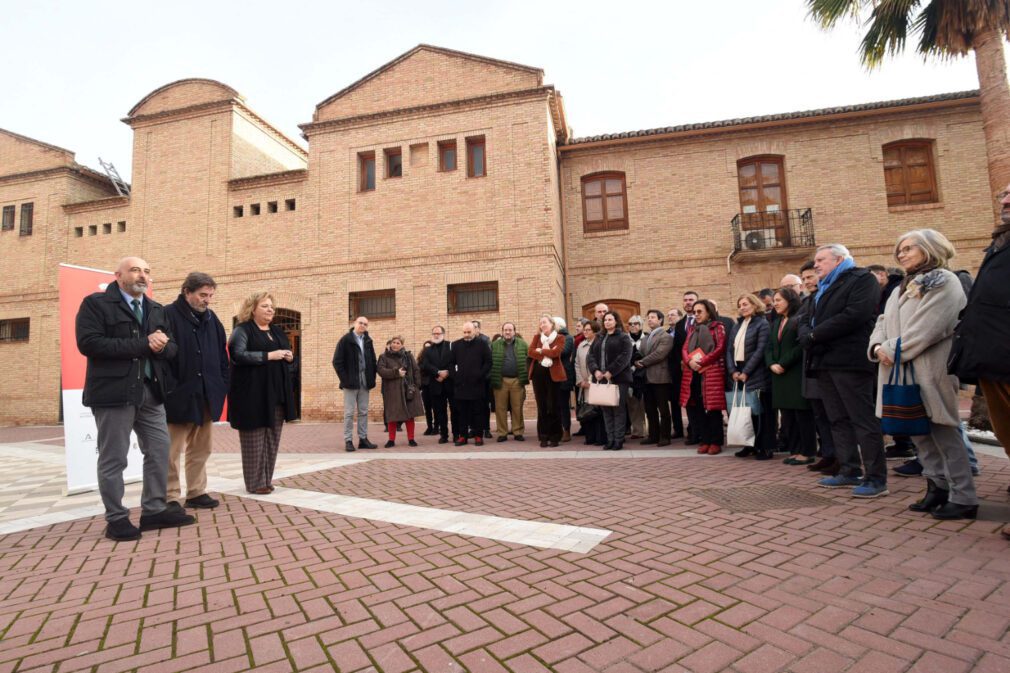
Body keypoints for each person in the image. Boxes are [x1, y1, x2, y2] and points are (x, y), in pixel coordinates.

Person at [75, 256, 193, 541]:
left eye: (147, 271)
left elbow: (172, 348)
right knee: (114, 458)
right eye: (135, 270)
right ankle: (116, 518)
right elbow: (89, 343)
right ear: (118, 275)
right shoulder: (96, 304)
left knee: (160, 450)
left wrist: (163, 346)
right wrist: (144, 343)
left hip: (151, 393)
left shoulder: (155, 309)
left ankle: (153, 511)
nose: (142, 275)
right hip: (114, 394)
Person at [867, 229, 977, 519]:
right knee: (918, 432)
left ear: (930, 248)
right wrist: (876, 345)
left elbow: (930, 328)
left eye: (908, 248)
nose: (901, 253)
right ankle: (936, 486)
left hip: (930, 366)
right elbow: (882, 319)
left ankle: (963, 496)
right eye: (898, 249)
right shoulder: (903, 285)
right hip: (898, 367)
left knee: (943, 431)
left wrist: (889, 349)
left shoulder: (945, 282)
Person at [798, 243, 887, 498]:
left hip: (850, 360)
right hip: (824, 361)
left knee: (862, 419)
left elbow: (854, 315)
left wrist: (814, 335)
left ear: (839, 259)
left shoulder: (862, 279)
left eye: (821, 260)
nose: (816, 265)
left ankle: (876, 477)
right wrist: (808, 333)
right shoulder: (822, 288)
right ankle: (849, 470)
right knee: (837, 419)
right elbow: (806, 317)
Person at [163, 272, 228, 510]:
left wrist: (221, 384)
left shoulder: (213, 320)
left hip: (207, 395)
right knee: (170, 451)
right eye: (202, 295)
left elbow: (222, 357)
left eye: (210, 295)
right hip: (178, 396)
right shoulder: (167, 315)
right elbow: (160, 358)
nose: (207, 300)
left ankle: (196, 492)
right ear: (186, 292)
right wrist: (169, 388)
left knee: (202, 448)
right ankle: (169, 496)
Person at [227, 292, 298, 494]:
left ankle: (266, 480)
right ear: (252, 309)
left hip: (276, 393)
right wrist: (269, 355)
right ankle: (254, 483)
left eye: (272, 307)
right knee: (254, 440)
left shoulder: (276, 331)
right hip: (252, 394)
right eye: (265, 306)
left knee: (272, 439)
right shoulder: (243, 330)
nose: (270, 310)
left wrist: (289, 356)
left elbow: (287, 355)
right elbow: (237, 355)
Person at [765, 288, 816, 464]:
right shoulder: (777, 322)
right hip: (778, 375)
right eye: (774, 300)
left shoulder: (799, 319)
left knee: (802, 415)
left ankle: (807, 452)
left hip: (793, 373)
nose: (775, 303)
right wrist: (771, 363)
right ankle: (795, 450)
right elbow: (769, 346)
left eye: (778, 300)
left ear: (790, 300)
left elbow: (800, 346)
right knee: (788, 417)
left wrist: (783, 363)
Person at [726, 294, 774, 459]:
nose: (742, 307)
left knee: (761, 414)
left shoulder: (762, 324)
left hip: (756, 373)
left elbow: (761, 350)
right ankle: (749, 445)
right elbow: (729, 350)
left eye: (745, 304)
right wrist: (733, 371)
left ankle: (765, 447)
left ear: (755, 305)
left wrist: (746, 371)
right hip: (738, 373)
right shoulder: (737, 325)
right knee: (746, 412)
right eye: (740, 305)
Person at [679, 299, 727, 454]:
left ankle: (716, 442)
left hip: (711, 372)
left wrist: (702, 361)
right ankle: (705, 440)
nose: (696, 315)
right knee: (697, 408)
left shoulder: (718, 327)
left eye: (700, 311)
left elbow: (720, 348)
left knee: (713, 409)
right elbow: (685, 348)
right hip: (693, 373)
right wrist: (689, 362)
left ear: (709, 312)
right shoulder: (693, 329)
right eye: (695, 312)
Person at [588, 311, 634, 450]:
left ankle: (619, 440)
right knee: (606, 411)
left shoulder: (623, 337)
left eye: (610, 319)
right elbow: (590, 356)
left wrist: (610, 372)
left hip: (619, 379)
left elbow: (625, 357)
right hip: (601, 379)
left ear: (616, 321)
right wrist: (595, 370)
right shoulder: (599, 337)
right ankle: (610, 439)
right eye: (605, 320)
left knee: (618, 410)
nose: (607, 322)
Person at [333, 316, 378, 452]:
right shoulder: (345, 340)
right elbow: (337, 362)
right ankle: (348, 440)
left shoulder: (368, 341)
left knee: (363, 412)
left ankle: (363, 439)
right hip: (350, 382)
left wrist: (371, 377)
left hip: (365, 381)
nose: (363, 325)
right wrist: (345, 379)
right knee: (349, 413)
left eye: (365, 324)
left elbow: (373, 361)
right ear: (354, 323)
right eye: (360, 323)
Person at [377, 336, 424, 447]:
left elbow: (416, 370)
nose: (395, 344)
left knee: (409, 415)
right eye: (394, 342)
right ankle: (391, 440)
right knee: (392, 415)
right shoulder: (383, 357)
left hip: (408, 390)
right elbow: (381, 371)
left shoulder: (408, 356)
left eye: (398, 343)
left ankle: (411, 439)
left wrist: (417, 386)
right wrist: (396, 373)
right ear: (390, 343)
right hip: (391, 391)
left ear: (402, 345)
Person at [636, 309, 674, 446]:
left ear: (660, 320)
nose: (650, 320)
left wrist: (642, 362)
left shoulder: (666, 336)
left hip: (661, 377)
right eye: (648, 318)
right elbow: (640, 353)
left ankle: (665, 437)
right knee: (650, 409)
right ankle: (653, 435)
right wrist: (636, 360)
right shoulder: (645, 338)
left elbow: (660, 354)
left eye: (653, 317)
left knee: (663, 409)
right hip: (646, 378)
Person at [450, 322, 491, 445]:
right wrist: (455, 377)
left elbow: (488, 362)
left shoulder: (482, 344)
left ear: (475, 331)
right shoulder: (456, 345)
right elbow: (451, 363)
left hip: (477, 384)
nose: (466, 335)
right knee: (462, 412)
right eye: (464, 332)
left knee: (478, 411)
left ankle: (478, 436)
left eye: (469, 332)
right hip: (461, 385)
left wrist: (480, 375)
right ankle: (463, 436)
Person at [528, 315, 567, 447]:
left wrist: (541, 350)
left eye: (544, 322)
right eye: (540, 323)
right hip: (538, 377)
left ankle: (555, 436)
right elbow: (530, 352)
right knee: (542, 406)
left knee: (553, 406)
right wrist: (547, 351)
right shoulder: (536, 337)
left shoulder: (560, 338)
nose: (542, 325)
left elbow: (557, 353)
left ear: (551, 324)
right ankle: (543, 436)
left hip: (553, 376)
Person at [490, 322, 527, 442]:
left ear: (514, 331)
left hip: (517, 380)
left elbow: (529, 359)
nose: (507, 332)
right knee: (500, 408)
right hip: (501, 380)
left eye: (510, 330)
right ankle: (502, 433)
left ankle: (518, 432)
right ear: (502, 331)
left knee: (517, 408)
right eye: (505, 330)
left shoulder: (522, 344)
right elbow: (489, 361)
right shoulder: (494, 345)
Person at [670, 293, 699, 442]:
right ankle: (692, 432)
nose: (688, 303)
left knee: (701, 402)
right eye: (685, 300)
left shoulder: (703, 321)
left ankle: (703, 433)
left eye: (691, 300)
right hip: (685, 371)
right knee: (689, 402)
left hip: (702, 369)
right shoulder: (680, 324)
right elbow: (677, 349)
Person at [420, 326, 453, 444]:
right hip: (436, 384)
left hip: (450, 383)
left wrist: (447, 373)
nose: (436, 335)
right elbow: (425, 365)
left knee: (455, 410)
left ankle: (457, 434)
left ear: (443, 334)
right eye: (434, 333)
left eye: (438, 333)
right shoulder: (428, 350)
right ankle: (444, 435)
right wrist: (438, 372)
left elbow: (454, 362)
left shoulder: (450, 346)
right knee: (440, 412)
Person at [575, 320, 605, 446]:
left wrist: (592, 380)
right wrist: (580, 380)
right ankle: (590, 437)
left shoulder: (600, 344)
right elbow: (576, 364)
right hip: (584, 385)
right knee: (587, 412)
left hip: (596, 383)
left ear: (595, 331)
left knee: (598, 412)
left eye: (588, 330)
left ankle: (600, 438)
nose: (585, 332)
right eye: (584, 330)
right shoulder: (581, 346)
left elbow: (600, 364)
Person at [626, 315, 648, 439]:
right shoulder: (625, 339)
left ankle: (649, 428)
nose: (633, 326)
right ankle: (637, 430)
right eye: (630, 324)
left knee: (646, 403)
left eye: (635, 324)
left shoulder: (646, 338)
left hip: (644, 375)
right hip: (629, 376)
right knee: (632, 404)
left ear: (640, 326)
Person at [472, 319, 494, 439]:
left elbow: (488, 361)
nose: (473, 329)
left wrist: (481, 374)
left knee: (485, 405)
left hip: (484, 379)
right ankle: (473, 428)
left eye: (475, 327)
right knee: (472, 404)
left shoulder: (485, 340)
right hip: (471, 380)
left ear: (479, 329)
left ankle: (486, 429)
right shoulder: (466, 341)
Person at [555, 317, 576, 442]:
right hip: (551, 375)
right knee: (553, 404)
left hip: (564, 375)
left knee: (563, 405)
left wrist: (548, 350)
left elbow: (563, 352)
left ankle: (566, 429)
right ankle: (555, 429)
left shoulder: (568, 338)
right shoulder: (549, 337)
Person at [418, 340, 436, 435]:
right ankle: (429, 427)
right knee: (427, 408)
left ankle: (437, 426)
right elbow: (419, 370)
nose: (427, 349)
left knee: (436, 407)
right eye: (425, 347)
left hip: (434, 384)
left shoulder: (435, 357)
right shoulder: (421, 358)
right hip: (425, 385)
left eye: (429, 347)